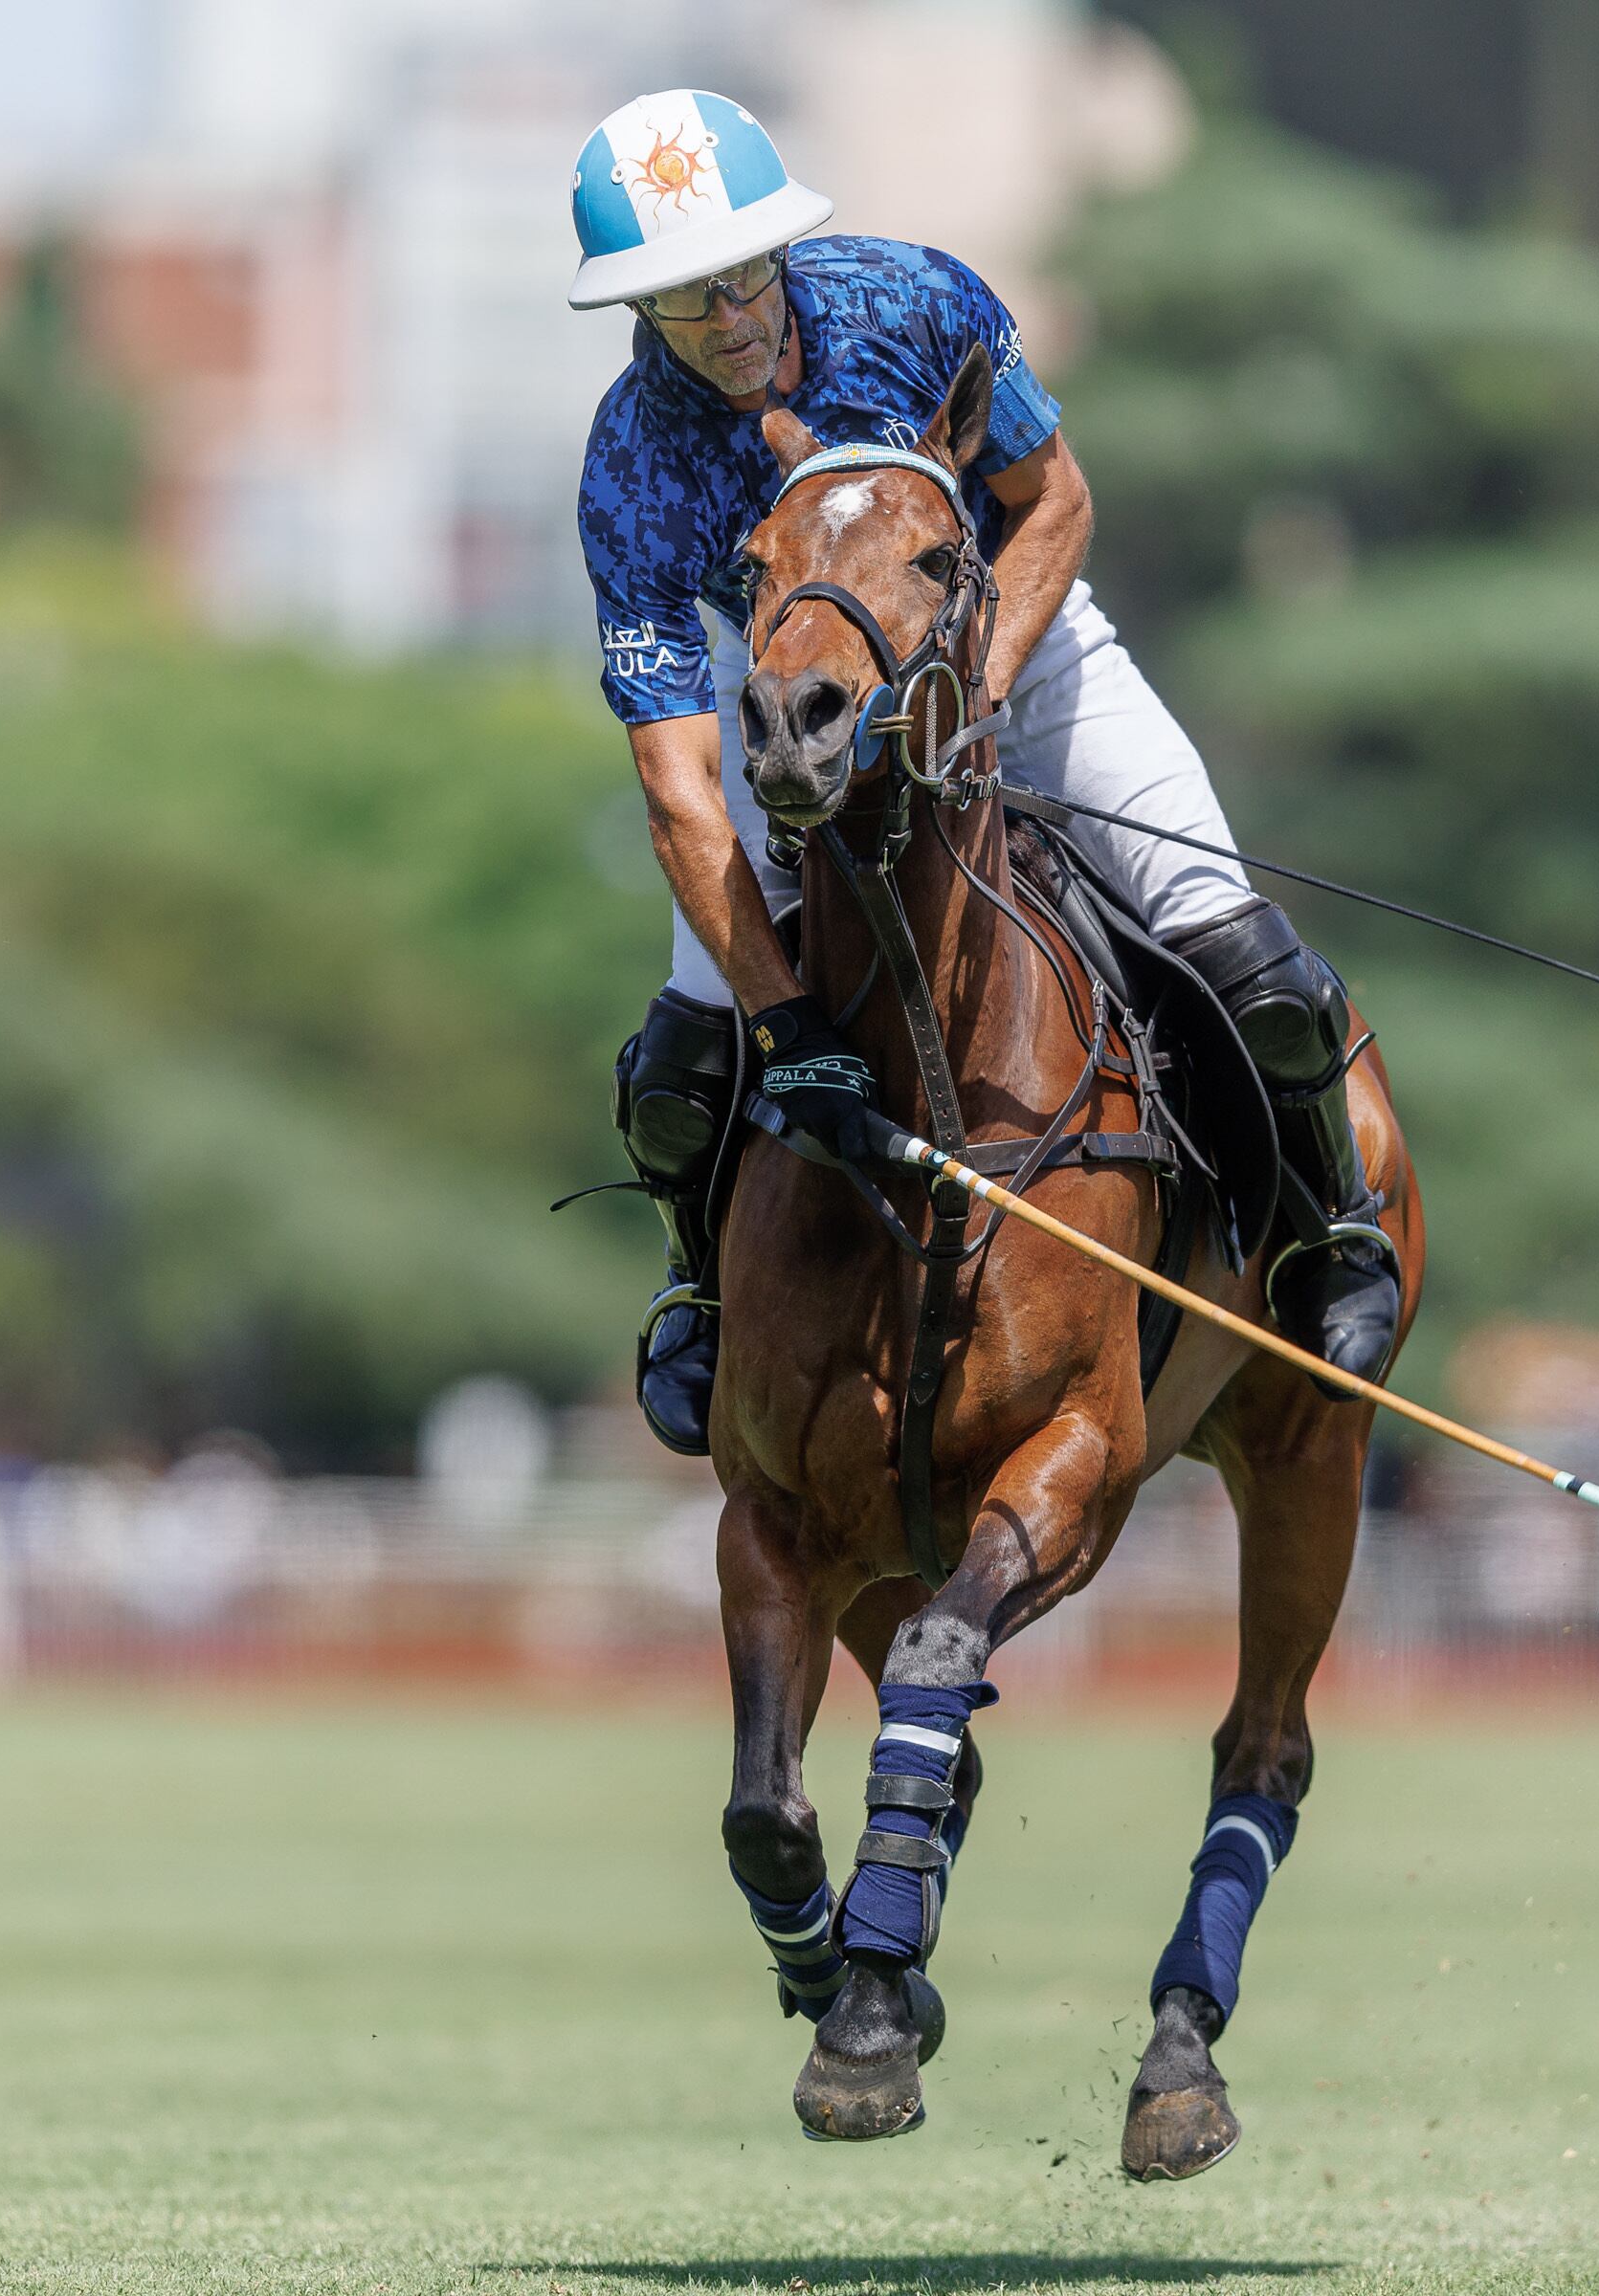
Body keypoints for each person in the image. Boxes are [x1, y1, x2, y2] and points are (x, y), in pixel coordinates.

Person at [568, 89, 1402, 1455]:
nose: (728, 321)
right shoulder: (632, 464)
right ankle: (700, 1293)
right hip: (783, 683)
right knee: (679, 1064)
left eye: (741, 277)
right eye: (680, 300)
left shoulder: (913, 303)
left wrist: (982, 688)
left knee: (1253, 962)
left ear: (781, 251)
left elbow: (1053, 497)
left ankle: (1328, 1237)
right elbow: (675, 785)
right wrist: (784, 1025)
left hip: (1007, 630)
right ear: (635, 313)